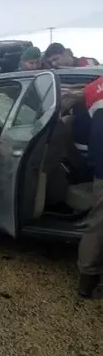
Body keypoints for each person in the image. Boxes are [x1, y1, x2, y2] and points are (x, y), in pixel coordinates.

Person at [77, 77, 103, 297]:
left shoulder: (92, 89)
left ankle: (88, 281)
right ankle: (87, 281)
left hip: (100, 163)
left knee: (98, 223)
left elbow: (84, 130)